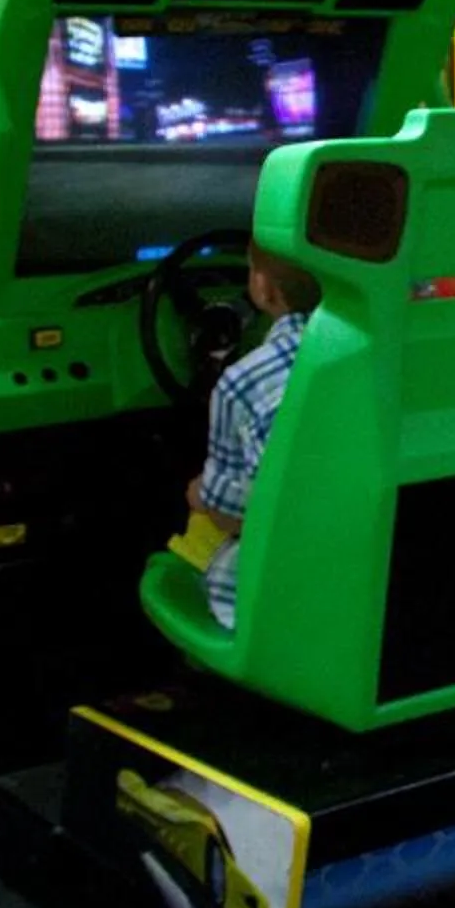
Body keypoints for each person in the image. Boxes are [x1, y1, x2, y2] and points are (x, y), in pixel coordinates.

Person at [184, 242, 321, 630]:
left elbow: (234, 516)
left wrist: (201, 494)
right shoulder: (386, 352)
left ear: (262, 288)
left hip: (275, 599)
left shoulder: (243, 382)